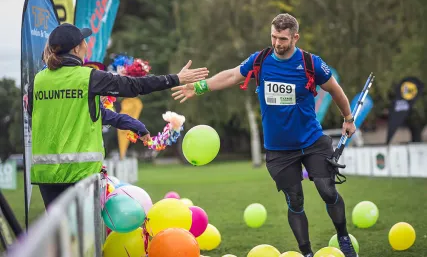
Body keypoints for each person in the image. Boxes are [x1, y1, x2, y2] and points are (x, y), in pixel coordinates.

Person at [171, 14, 358, 257]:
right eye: (273, 37)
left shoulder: (311, 63)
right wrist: (199, 86)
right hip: (279, 150)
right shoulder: (260, 60)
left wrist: (348, 118)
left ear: (295, 37)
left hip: (312, 141)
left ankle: (343, 237)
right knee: (295, 201)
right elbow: (231, 75)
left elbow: (335, 89)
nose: (277, 43)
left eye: (282, 38)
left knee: (327, 190)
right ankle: (307, 252)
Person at [28, 23, 208, 208]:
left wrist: (131, 123)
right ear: (76, 48)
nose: (86, 45)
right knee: (85, 236)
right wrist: (175, 79)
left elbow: (44, 114)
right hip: (80, 175)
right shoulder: (88, 77)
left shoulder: (38, 80)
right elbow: (134, 86)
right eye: (84, 42)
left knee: (60, 234)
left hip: (47, 175)